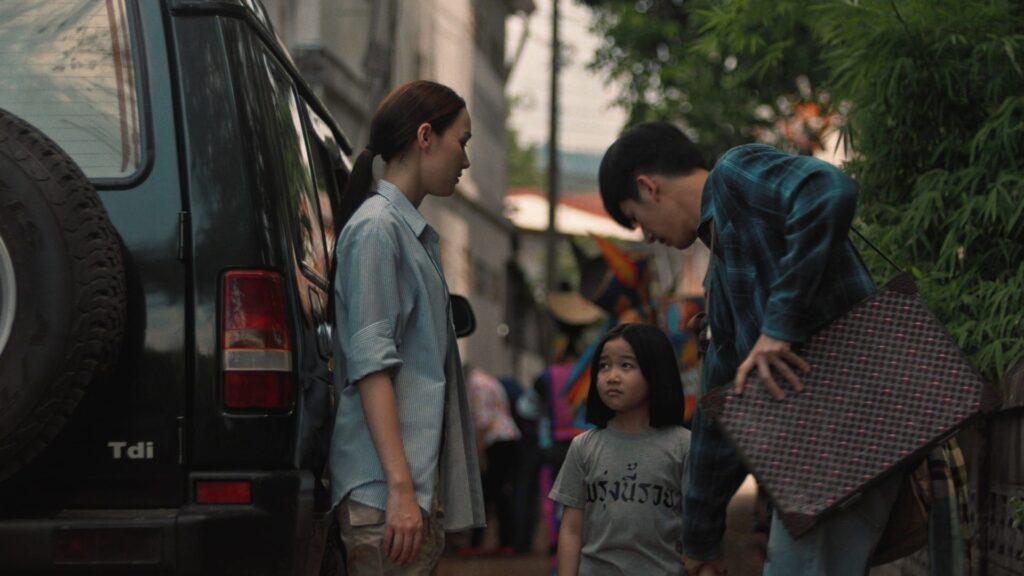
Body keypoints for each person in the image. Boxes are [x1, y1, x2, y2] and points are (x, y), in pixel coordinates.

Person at [597, 122, 901, 576]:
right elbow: (723, 413)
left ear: (648, 187)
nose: (647, 237)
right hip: (821, 454)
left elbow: (828, 189)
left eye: (636, 219)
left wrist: (777, 327)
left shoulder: (734, 173)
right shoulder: (720, 281)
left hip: (851, 434)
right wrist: (699, 538)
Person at [328, 80, 484, 575]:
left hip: (404, 494)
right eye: (461, 141)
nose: (465, 160)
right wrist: (399, 489)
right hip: (385, 496)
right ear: (425, 136)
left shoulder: (405, 232)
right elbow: (371, 367)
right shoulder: (378, 229)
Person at [549, 323, 691, 576]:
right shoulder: (583, 447)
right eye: (604, 366)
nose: (611, 376)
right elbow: (571, 528)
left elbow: (699, 524)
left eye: (626, 365)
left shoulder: (684, 446)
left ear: (656, 371)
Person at [463, 365, 521, 556]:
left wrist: (479, 451)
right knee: (501, 492)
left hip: (495, 440)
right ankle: (507, 541)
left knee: (485, 493)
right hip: (509, 436)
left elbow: (483, 420)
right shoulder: (490, 380)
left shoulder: (475, 384)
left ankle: (476, 542)